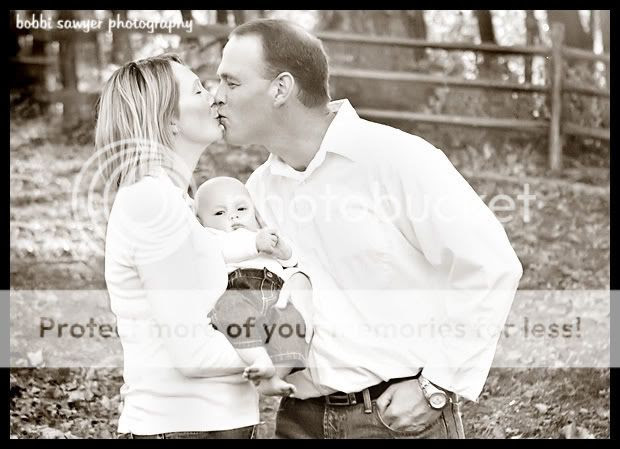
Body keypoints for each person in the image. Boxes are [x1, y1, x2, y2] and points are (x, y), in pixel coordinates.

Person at [212, 19, 524, 439]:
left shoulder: (396, 159)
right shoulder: (256, 192)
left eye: (231, 82)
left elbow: (490, 265)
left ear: (281, 88)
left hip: (395, 420)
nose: (216, 96)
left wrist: (436, 385)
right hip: (299, 420)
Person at [97, 53, 305, 439]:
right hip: (184, 425)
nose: (215, 97)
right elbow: (192, 353)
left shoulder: (178, 202)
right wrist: (286, 348)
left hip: (210, 422)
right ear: (168, 120)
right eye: (197, 90)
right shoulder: (151, 202)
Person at [194, 176, 312, 397]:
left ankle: (276, 375)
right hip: (239, 292)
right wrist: (255, 243)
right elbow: (224, 249)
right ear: (201, 222)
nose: (233, 216)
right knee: (231, 308)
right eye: (219, 213)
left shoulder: (263, 232)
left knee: (292, 319)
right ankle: (259, 359)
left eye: (241, 208)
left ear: (254, 211)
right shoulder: (211, 238)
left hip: (275, 294)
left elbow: (291, 263)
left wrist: (284, 252)